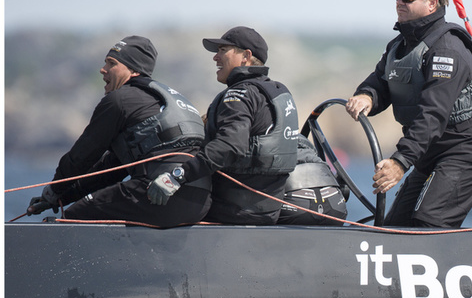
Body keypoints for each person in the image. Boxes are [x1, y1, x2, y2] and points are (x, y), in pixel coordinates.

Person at [346, 0, 472, 228]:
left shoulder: (447, 49)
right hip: (428, 152)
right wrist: (367, 96)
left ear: (432, 4)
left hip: (465, 150)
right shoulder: (399, 45)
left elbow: (433, 115)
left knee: (427, 224)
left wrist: (399, 163)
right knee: (394, 227)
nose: (399, 2)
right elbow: (380, 81)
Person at [26, 36, 211, 228]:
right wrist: (62, 197)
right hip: (198, 203)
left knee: (73, 219)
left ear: (133, 70)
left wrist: (53, 191)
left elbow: (80, 158)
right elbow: (109, 171)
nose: (102, 69)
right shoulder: (152, 104)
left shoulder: (119, 100)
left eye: (111, 63)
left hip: (161, 195)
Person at [147, 26, 299, 225]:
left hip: (233, 209)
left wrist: (178, 175)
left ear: (246, 55)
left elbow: (230, 146)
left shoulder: (240, 94)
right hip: (267, 211)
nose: (215, 57)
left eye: (223, 50)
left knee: (142, 200)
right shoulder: (277, 93)